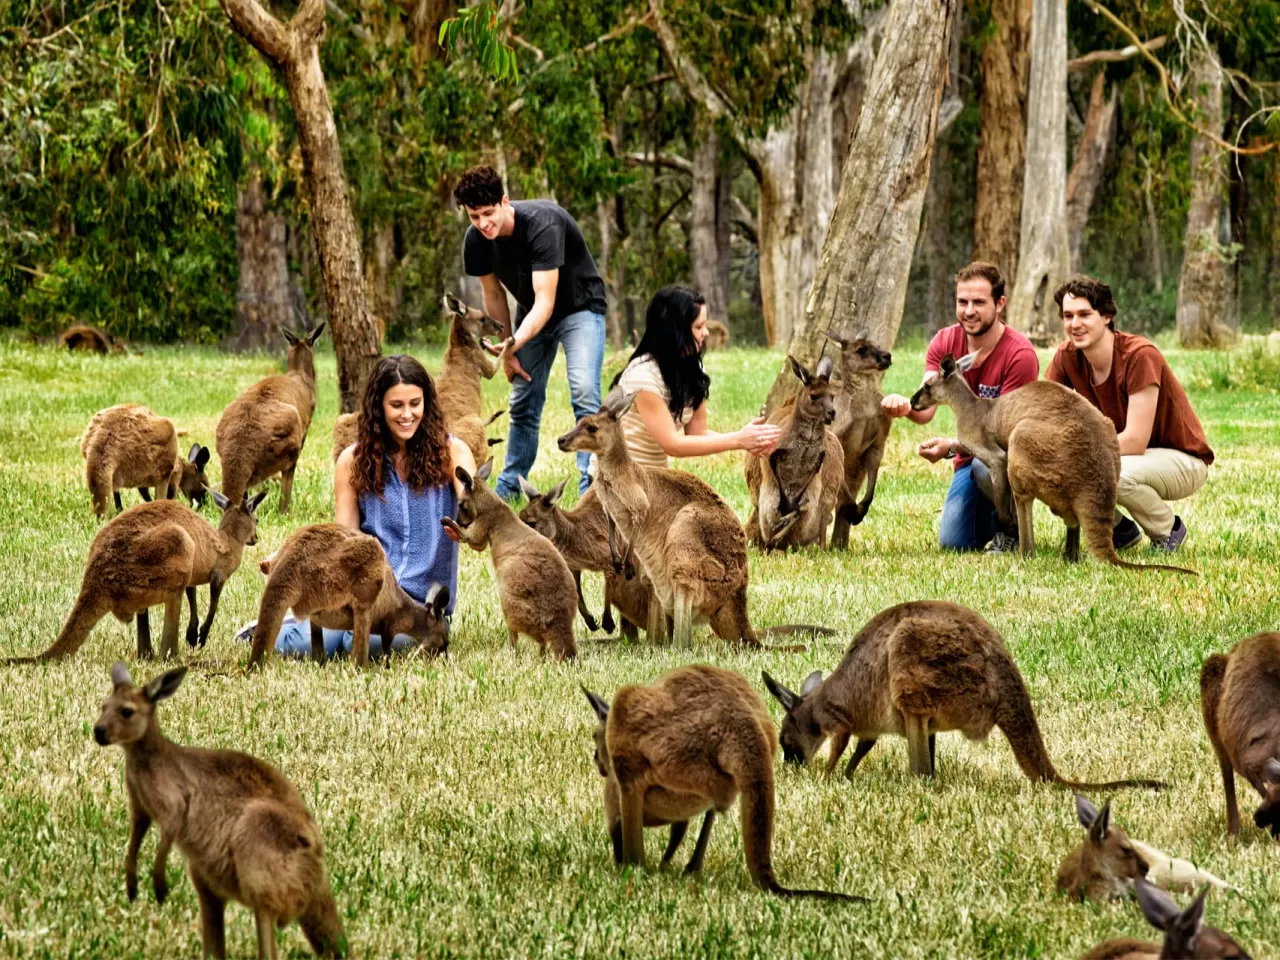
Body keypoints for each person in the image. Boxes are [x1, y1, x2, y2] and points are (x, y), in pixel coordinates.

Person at [238, 355, 474, 659]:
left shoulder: (454, 452)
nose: (407, 414)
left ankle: (322, 631)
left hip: (419, 609)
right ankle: (271, 628)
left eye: (415, 404)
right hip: (361, 595)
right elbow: (343, 540)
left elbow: (476, 509)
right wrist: (286, 557)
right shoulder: (353, 460)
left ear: (427, 404)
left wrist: (468, 524)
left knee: (367, 645)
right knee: (311, 645)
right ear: (378, 408)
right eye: (396, 405)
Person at [454, 165, 606, 500]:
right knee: (523, 398)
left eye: (489, 213)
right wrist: (507, 349)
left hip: (579, 307)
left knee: (584, 392)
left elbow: (546, 301)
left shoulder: (542, 224)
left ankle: (591, 490)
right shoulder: (476, 240)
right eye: (474, 217)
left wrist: (514, 342)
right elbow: (494, 295)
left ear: (505, 201)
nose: (483, 223)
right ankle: (510, 486)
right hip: (531, 312)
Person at [881, 262, 1039, 552]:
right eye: (962, 302)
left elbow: (1008, 439)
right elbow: (926, 406)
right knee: (954, 541)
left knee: (986, 464)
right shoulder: (945, 341)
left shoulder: (1019, 355)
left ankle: (1011, 528)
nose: (969, 311)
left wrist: (952, 446)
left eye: (978, 302)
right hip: (970, 458)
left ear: (999, 304)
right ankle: (993, 515)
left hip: (1008, 455)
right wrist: (905, 407)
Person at [1046, 275, 1212, 552]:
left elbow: (1135, 440)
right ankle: (1119, 530)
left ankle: (1168, 530)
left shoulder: (1139, 355)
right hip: (1126, 456)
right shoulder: (1067, 357)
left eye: (1084, 314)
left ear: (1106, 316)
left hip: (1182, 460)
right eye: (1068, 316)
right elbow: (1043, 411)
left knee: (1109, 473)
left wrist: (1075, 453)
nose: (1075, 324)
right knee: (1056, 472)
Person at [607, 285, 779, 467]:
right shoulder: (643, 377)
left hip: (654, 477)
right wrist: (737, 439)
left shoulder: (693, 368)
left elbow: (698, 433)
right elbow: (673, 445)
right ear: (675, 331)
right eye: (698, 326)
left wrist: (750, 440)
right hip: (618, 476)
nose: (706, 332)